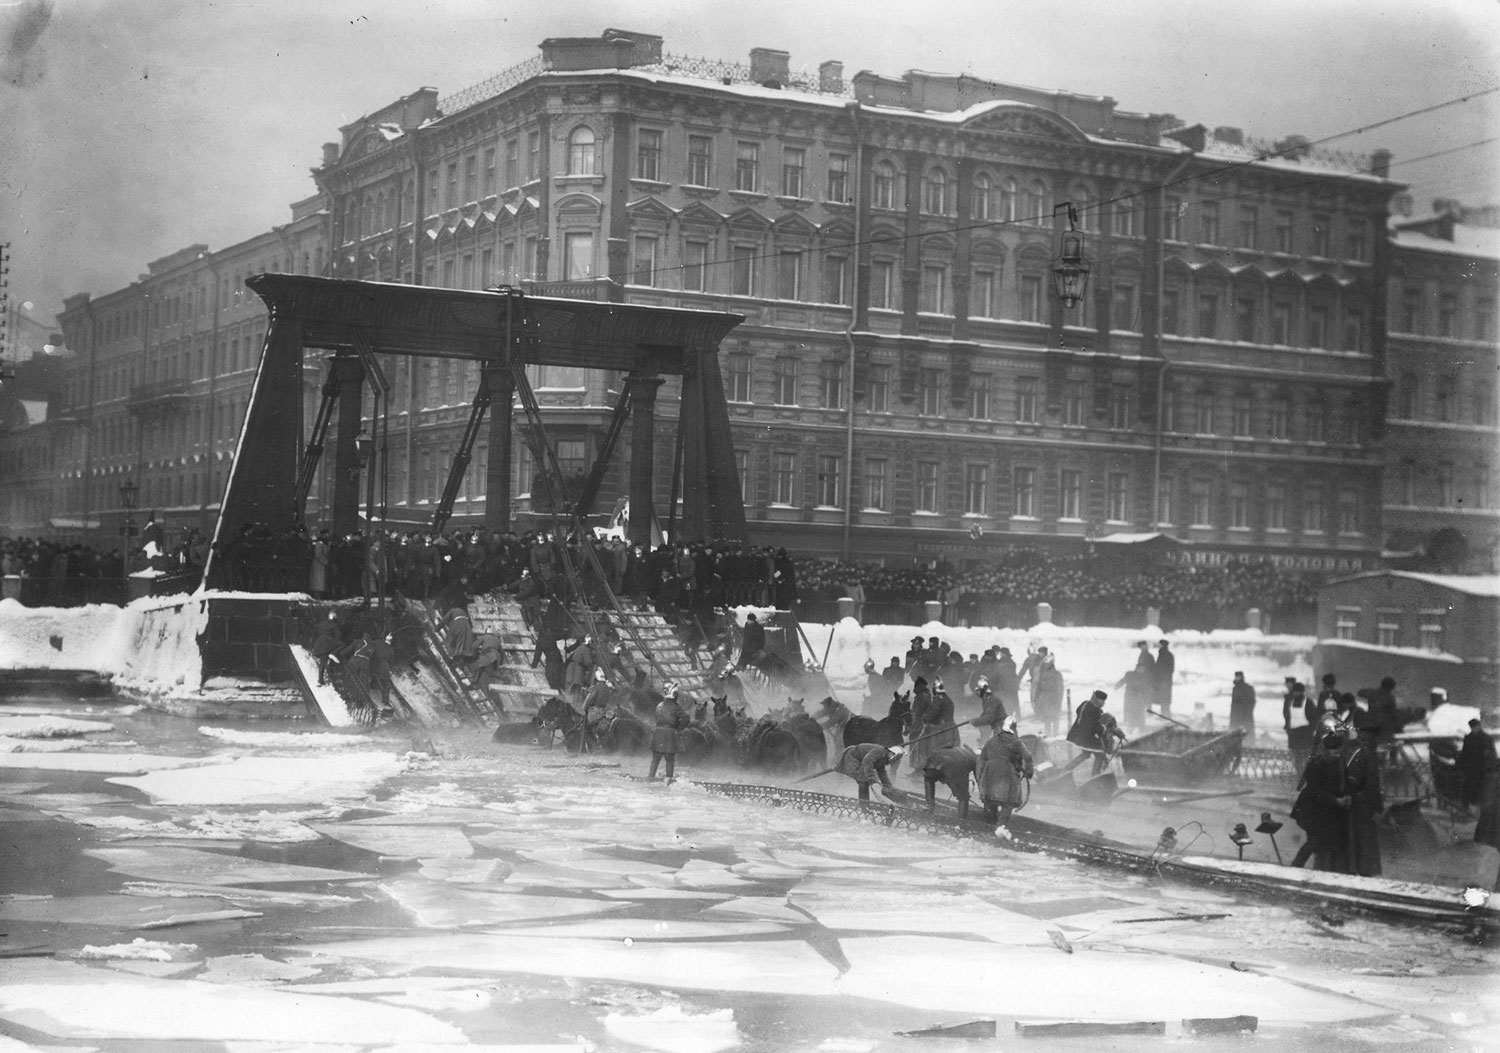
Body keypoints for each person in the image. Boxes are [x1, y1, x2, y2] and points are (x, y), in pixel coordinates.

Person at [1289, 719, 1350, 870]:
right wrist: (1335, 800)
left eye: (1339, 752)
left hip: (1328, 809)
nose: (1337, 755)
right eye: (1334, 752)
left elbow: (1344, 781)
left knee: (1326, 842)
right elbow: (1314, 791)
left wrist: (1346, 796)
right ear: (1325, 750)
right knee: (1315, 840)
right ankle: (1296, 866)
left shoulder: (1340, 762)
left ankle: (1321, 869)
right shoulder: (1315, 765)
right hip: (1310, 810)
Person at [1341, 720, 1384, 877]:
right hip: (1364, 802)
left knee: (1351, 836)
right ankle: (1365, 871)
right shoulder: (1368, 753)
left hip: (1348, 799)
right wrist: (1378, 808)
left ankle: (1351, 869)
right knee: (1365, 838)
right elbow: (1372, 784)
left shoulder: (1349, 749)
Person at [977, 716, 1034, 826]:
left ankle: (991, 825)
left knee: (991, 799)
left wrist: (982, 775)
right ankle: (1001, 826)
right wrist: (1029, 771)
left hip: (990, 772)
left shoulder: (991, 741)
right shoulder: (1016, 742)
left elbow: (982, 759)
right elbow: (1028, 757)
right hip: (1007, 772)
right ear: (1014, 728)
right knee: (1009, 802)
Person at [1066, 689, 1126, 776]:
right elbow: (1094, 726)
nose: (1103, 703)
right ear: (1097, 699)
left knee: (1086, 754)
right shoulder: (1094, 710)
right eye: (1102, 701)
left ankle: (1066, 770)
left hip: (1076, 734)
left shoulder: (1085, 704)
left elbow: (1080, 712)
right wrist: (1103, 729)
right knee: (1100, 754)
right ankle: (1095, 775)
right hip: (1086, 737)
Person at [922, 744, 979, 819]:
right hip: (954, 763)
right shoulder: (976, 759)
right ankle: (961, 820)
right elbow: (979, 778)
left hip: (935, 757)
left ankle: (929, 807)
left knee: (929, 778)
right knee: (963, 796)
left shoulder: (964, 751)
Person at [835, 742, 904, 803]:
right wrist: (870, 776)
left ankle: (865, 804)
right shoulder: (880, 751)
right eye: (895, 758)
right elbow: (867, 761)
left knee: (864, 779)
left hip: (857, 759)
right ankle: (864, 805)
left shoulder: (883, 757)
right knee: (863, 780)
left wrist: (889, 787)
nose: (893, 761)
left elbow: (882, 773)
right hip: (851, 757)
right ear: (891, 753)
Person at [648, 684, 690, 781]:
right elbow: (686, 719)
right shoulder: (677, 707)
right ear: (675, 695)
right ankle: (669, 779)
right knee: (670, 759)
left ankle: (650, 778)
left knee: (655, 759)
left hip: (657, 734)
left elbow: (656, 719)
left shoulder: (659, 705)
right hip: (670, 735)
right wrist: (679, 729)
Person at [1460, 719, 1499, 808]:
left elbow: (1492, 754)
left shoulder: (1487, 738)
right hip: (1470, 769)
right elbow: (1464, 753)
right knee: (1469, 789)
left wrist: (1490, 766)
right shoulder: (1468, 738)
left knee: (1481, 790)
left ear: (1479, 726)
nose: (1475, 729)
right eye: (1473, 727)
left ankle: (1476, 807)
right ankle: (1468, 806)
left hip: (1483, 769)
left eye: (1476, 726)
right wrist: (1462, 766)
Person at [1283, 680, 1315, 772]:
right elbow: (1287, 716)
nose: (1297, 694)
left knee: (1305, 756)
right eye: (1296, 692)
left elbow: (1314, 718)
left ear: (1302, 692)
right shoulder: (1290, 702)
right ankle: (1299, 773)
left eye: (1299, 692)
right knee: (1295, 757)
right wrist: (1288, 728)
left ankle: (1306, 773)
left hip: (1304, 732)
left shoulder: (1308, 702)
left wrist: (1310, 731)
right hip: (1293, 734)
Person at [1033, 654, 1065, 739]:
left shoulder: (1056, 675)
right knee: (1048, 719)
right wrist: (1036, 698)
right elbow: (1039, 687)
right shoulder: (1045, 674)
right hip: (1047, 700)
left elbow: (1060, 689)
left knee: (1053, 719)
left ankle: (1054, 736)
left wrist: (1058, 701)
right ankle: (1050, 735)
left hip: (1052, 699)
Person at [815, 696, 853, 767]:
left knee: (840, 745)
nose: (824, 708)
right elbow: (821, 713)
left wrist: (815, 727)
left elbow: (829, 723)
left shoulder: (840, 711)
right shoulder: (832, 708)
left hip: (847, 729)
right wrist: (810, 717)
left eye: (825, 706)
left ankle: (839, 763)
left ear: (830, 705)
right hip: (842, 728)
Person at [970, 678, 1006, 743]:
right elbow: (986, 714)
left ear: (982, 690)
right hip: (997, 727)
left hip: (1001, 728)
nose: (977, 693)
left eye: (978, 690)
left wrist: (976, 721)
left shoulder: (991, 700)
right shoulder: (986, 699)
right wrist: (979, 719)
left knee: (998, 746)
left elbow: (989, 718)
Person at [1153, 640, 1175, 717]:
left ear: (1163, 645)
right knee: (1164, 701)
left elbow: (1169, 670)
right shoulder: (1164, 654)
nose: (1158, 646)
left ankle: (1166, 716)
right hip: (1163, 682)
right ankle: (1165, 716)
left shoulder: (1165, 655)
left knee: (1165, 701)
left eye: (1159, 644)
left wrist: (1163, 681)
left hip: (1164, 682)